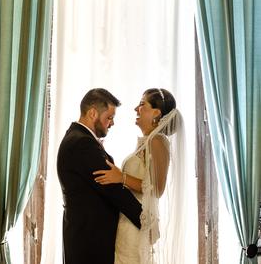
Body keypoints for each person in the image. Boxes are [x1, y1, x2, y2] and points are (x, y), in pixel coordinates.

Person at [93, 88, 184, 264]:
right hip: (127, 220)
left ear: (156, 113)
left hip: (136, 225)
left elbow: (157, 188)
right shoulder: (147, 142)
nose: (136, 108)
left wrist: (122, 178)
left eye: (142, 104)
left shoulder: (157, 141)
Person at [57, 88, 142, 264]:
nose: (111, 123)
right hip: (90, 241)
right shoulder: (83, 143)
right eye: (109, 117)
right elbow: (112, 189)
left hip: (83, 235)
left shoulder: (76, 136)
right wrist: (145, 219)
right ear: (93, 113)